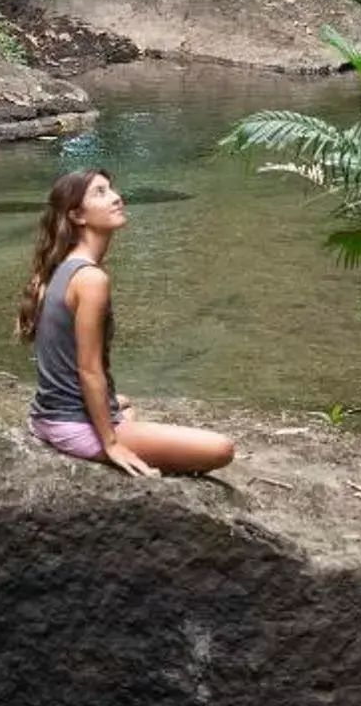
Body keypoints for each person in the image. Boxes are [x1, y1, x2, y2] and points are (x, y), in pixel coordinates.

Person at [16, 168, 235, 477]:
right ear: (77, 215)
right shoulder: (90, 279)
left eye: (112, 189)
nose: (117, 198)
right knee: (221, 449)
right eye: (101, 193)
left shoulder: (60, 268)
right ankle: (103, 437)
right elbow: (89, 370)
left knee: (125, 404)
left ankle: (99, 428)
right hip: (72, 424)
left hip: (48, 415)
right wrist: (111, 443)